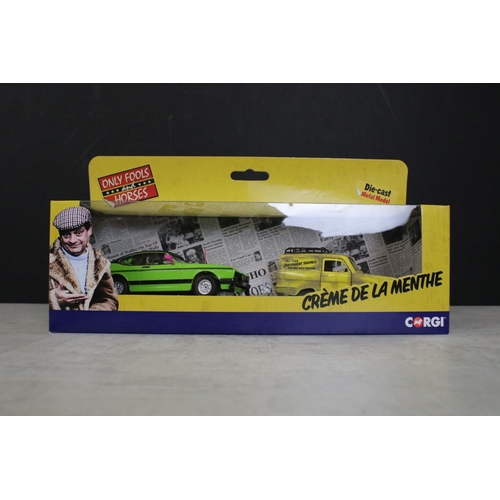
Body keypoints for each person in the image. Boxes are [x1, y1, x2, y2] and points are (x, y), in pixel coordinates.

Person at [49, 206, 118, 311]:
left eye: (78, 233)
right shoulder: (50, 260)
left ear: (89, 230)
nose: (73, 240)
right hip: (59, 321)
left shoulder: (100, 262)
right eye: (66, 235)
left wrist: (93, 315)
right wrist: (54, 300)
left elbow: (109, 299)